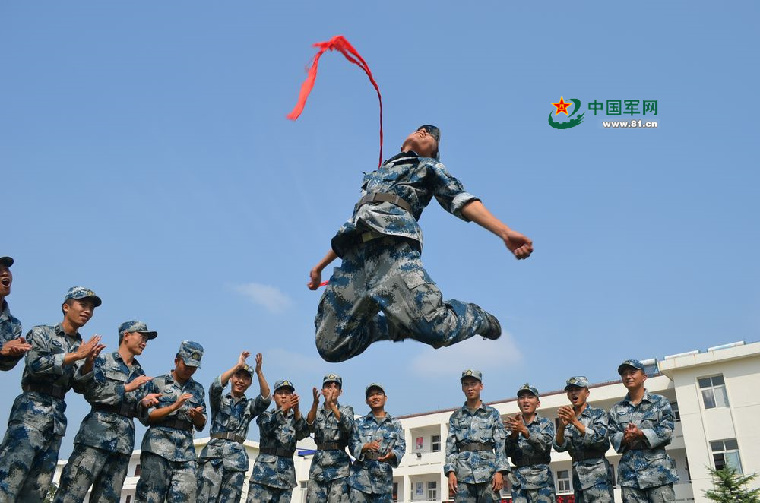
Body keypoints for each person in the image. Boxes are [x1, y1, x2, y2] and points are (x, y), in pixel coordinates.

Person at [307, 125, 533, 362]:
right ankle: (397, 324)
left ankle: (476, 316)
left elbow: (459, 199)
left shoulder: (429, 167)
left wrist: (504, 232)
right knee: (330, 345)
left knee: (436, 329)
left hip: (392, 251)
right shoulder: (378, 174)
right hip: (355, 257)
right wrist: (320, 266)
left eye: (432, 135)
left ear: (434, 153)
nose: (424, 131)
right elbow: (355, 222)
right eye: (421, 129)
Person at [0, 286, 105, 501]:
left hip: (56, 420)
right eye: (83, 305)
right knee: (9, 478)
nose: (88, 311)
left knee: (37, 488)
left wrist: (88, 363)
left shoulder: (80, 345)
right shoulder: (42, 333)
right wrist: (75, 356)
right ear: (66, 307)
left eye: (91, 308)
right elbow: (35, 365)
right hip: (30, 413)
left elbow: (79, 386)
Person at [54, 321, 160, 503]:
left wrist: (144, 404)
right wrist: (126, 388)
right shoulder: (102, 361)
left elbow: (140, 413)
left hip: (123, 445)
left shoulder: (140, 373)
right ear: (126, 335)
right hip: (95, 438)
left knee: (108, 499)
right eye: (142, 336)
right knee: (71, 493)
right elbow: (92, 392)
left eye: (147, 339)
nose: (144, 342)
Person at [135, 341, 207, 503]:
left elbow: (202, 424)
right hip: (157, 450)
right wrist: (174, 407)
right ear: (176, 360)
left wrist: (197, 416)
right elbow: (147, 417)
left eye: (194, 367)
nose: (189, 370)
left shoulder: (198, 389)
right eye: (186, 365)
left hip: (185, 453)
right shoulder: (157, 383)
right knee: (150, 498)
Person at [197, 352, 271, 503]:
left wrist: (259, 373)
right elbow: (215, 387)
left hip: (236, 461)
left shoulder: (249, 405)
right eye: (238, 376)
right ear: (231, 378)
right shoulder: (219, 400)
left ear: (250, 383)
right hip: (212, 457)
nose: (241, 381)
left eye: (246, 378)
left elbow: (266, 399)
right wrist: (236, 367)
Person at [608, 359, 678, 503]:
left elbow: (667, 431)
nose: (628, 377)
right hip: (629, 476)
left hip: (657, 473)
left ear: (644, 377)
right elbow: (613, 435)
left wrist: (641, 434)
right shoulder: (616, 409)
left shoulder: (660, 402)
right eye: (624, 374)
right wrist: (624, 438)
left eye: (632, 372)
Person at [445, 369, 509, 503]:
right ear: (462, 388)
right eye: (466, 384)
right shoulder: (456, 417)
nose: (470, 388)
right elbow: (451, 448)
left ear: (481, 386)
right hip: (463, 474)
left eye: (473, 384)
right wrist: (451, 472)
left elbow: (500, 444)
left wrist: (500, 471)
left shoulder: (492, 413)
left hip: (488, 473)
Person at [246, 379, 309, 503]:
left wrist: (296, 411)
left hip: (285, 477)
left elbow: (304, 433)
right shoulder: (266, 415)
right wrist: (284, 409)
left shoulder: (296, 419)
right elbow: (267, 428)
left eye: (287, 393)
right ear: (274, 397)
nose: (284, 396)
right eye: (280, 393)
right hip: (263, 475)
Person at [554, 376, 614, 503]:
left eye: (578, 389)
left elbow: (600, 438)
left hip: (598, 477)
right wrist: (561, 427)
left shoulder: (598, 414)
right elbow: (559, 446)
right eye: (570, 390)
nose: (573, 393)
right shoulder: (567, 416)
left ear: (587, 393)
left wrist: (575, 422)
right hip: (578, 479)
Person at [349, 383, 405, 502]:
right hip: (360, 481)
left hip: (383, 481)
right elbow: (352, 445)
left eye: (378, 394)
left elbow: (401, 447)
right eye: (371, 395)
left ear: (385, 398)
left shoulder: (395, 424)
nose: (375, 397)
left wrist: (392, 455)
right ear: (366, 401)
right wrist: (365, 446)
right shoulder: (359, 423)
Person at [305, 373, 355, 503]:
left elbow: (348, 426)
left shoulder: (346, 409)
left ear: (340, 392)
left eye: (335, 387)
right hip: (319, 465)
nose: (331, 389)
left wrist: (332, 405)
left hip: (340, 467)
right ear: (322, 391)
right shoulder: (316, 410)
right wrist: (314, 404)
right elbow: (306, 427)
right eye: (328, 386)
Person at [504, 384, 556, 503]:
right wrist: (513, 435)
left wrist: (525, 431)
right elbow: (507, 452)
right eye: (522, 397)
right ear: (518, 403)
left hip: (541, 481)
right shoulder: (513, 425)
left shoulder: (545, 423)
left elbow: (544, 447)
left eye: (530, 397)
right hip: (519, 482)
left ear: (538, 403)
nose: (526, 401)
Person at [0, 256, 31, 371]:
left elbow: (4, 366)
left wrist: (15, 353)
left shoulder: (14, 325)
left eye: (6, 269)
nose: (5, 273)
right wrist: (1, 349)